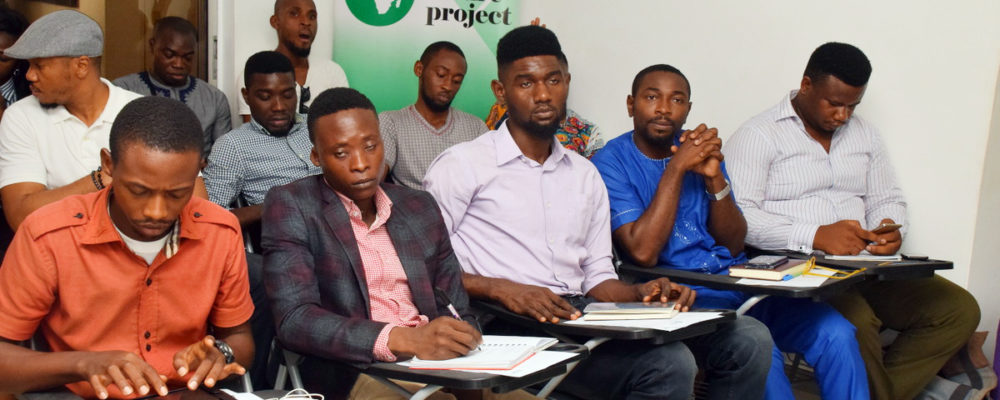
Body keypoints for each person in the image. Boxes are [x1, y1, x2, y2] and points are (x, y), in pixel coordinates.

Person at [423, 26, 772, 400]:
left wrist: (640, 292)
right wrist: (501, 288)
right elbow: (421, 267)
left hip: (582, 313)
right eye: (525, 83)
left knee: (748, 338)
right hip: (508, 322)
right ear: (500, 90)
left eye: (553, 80)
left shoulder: (583, 173)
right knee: (669, 364)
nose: (543, 94)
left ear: (566, 82)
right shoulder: (462, 166)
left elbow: (597, 275)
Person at [593, 64, 870, 400]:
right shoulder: (610, 162)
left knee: (836, 333)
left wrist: (715, 178)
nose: (664, 109)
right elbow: (642, 252)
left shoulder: (697, 149)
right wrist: (677, 168)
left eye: (677, 100)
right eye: (652, 97)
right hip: (684, 295)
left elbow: (734, 242)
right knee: (761, 351)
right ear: (631, 105)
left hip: (738, 284)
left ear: (688, 109)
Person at [724, 42, 981, 400]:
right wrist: (814, 235)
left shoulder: (865, 135)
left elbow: (887, 198)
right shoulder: (758, 135)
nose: (843, 115)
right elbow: (737, 219)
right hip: (800, 271)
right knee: (856, 323)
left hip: (866, 266)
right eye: (834, 103)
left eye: (853, 105)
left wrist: (889, 228)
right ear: (806, 85)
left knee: (957, 310)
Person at [0, 96, 254, 399]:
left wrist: (221, 353)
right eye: (139, 191)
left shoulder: (219, 231)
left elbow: (239, 338)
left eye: (177, 194)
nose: (157, 212)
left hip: (183, 393)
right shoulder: (49, 235)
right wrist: (83, 363)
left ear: (198, 171)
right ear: (108, 165)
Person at [261, 88, 486, 399]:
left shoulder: (418, 206)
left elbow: (456, 307)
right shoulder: (293, 205)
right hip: (355, 370)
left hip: (440, 367)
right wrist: (402, 339)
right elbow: (295, 320)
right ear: (316, 157)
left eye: (370, 147)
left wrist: (460, 345)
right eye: (341, 153)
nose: (361, 164)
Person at [0, 10, 147, 231]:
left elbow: (194, 203)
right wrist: (100, 179)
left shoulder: (143, 113)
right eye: (28, 65)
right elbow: (21, 216)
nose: (29, 75)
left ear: (81, 66)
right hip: (55, 251)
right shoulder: (21, 116)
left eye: (39, 65)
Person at [205, 50, 319, 230]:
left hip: (345, 223)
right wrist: (274, 206)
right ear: (246, 96)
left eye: (287, 95)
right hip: (290, 234)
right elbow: (210, 216)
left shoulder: (317, 126)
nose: (279, 107)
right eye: (265, 97)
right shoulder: (232, 146)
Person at [114, 16, 233, 156]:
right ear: (152, 46)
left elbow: (224, 158)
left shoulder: (214, 99)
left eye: (187, 57)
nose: (179, 64)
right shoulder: (123, 90)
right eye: (169, 55)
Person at [379, 41, 488, 189]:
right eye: (441, 75)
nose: (448, 86)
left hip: (465, 203)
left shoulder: (476, 127)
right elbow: (375, 178)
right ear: (419, 69)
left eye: (457, 81)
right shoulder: (391, 122)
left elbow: (491, 181)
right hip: (412, 202)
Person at [236, 0, 348, 122]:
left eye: (312, 16)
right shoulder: (257, 73)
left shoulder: (332, 72)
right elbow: (253, 130)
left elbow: (343, 126)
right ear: (275, 22)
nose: (306, 22)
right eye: (294, 14)